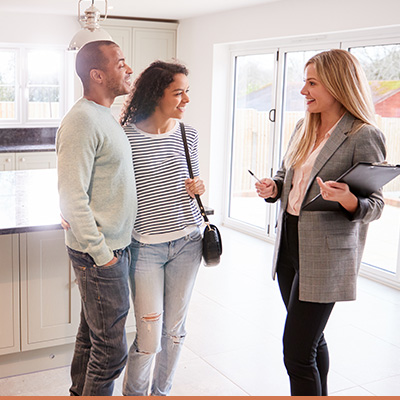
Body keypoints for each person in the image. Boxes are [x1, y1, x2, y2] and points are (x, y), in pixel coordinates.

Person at [255, 49, 386, 396]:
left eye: (312, 83)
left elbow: (375, 205)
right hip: (291, 244)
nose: (303, 91)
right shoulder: (303, 126)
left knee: (296, 352)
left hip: (326, 256)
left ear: (337, 85)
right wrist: (274, 188)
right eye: (304, 82)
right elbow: (287, 177)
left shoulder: (362, 135)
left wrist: (347, 199)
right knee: (312, 340)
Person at [56, 40, 137, 396]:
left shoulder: (104, 115)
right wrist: (102, 254)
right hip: (100, 253)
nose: (128, 69)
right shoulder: (82, 121)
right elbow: (72, 197)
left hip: (110, 246)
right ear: (98, 75)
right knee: (111, 350)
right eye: (121, 63)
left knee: (92, 336)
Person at [119, 60, 205, 396]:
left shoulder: (188, 133)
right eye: (178, 93)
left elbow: (191, 182)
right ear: (157, 94)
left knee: (174, 331)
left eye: (187, 92)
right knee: (150, 336)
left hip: (188, 242)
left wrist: (198, 187)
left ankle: (161, 392)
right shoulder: (125, 137)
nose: (186, 100)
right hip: (145, 248)